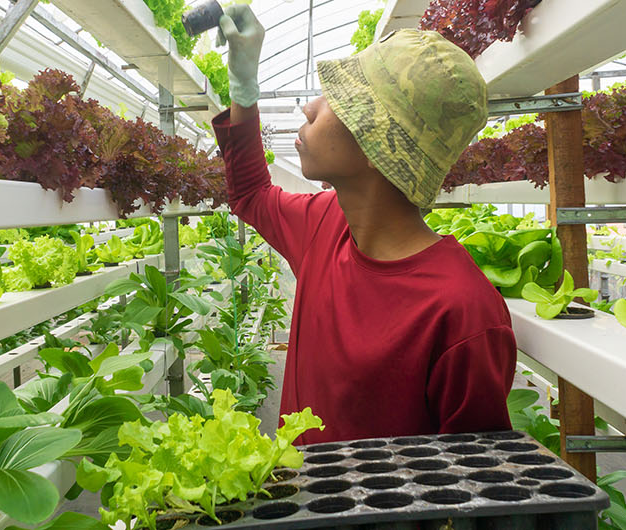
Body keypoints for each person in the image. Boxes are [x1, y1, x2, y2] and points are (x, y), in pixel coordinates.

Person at [211, 5, 517, 444]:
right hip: (301, 510)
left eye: (338, 100)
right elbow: (250, 195)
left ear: (379, 145)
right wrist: (243, 87)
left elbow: (471, 488)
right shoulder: (325, 225)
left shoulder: (462, 312)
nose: (311, 107)